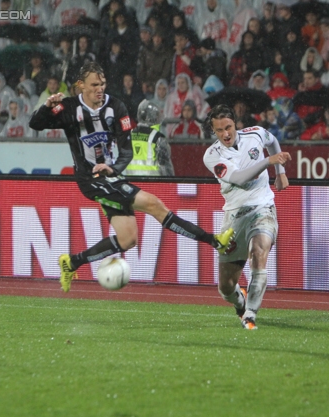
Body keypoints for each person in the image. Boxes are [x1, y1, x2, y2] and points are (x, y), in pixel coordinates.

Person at [29, 62, 234, 292]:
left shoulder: (116, 107)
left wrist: (114, 168)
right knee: (153, 204)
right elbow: (35, 124)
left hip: (110, 177)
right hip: (90, 180)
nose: (100, 88)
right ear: (80, 86)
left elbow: (126, 151)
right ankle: (215, 241)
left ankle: (71, 262)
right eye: (94, 84)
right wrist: (47, 107)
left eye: (102, 84)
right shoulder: (67, 107)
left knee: (128, 239)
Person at [203, 103, 291, 330]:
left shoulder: (256, 134)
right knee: (225, 287)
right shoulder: (212, 155)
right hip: (234, 219)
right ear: (213, 131)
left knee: (259, 252)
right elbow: (240, 178)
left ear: (235, 124)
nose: (225, 134)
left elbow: (273, 143)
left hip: (262, 208)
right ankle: (240, 301)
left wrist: (280, 173)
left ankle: (250, 314)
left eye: (228, 127)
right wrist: (268, 162)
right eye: (219, 130)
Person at [125, 100, 175, 176]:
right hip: (152, 184)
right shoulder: (158, 137)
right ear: (153, 117)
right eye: (157, 115)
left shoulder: (129, 135)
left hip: (131, 182)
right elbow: (165, 167)